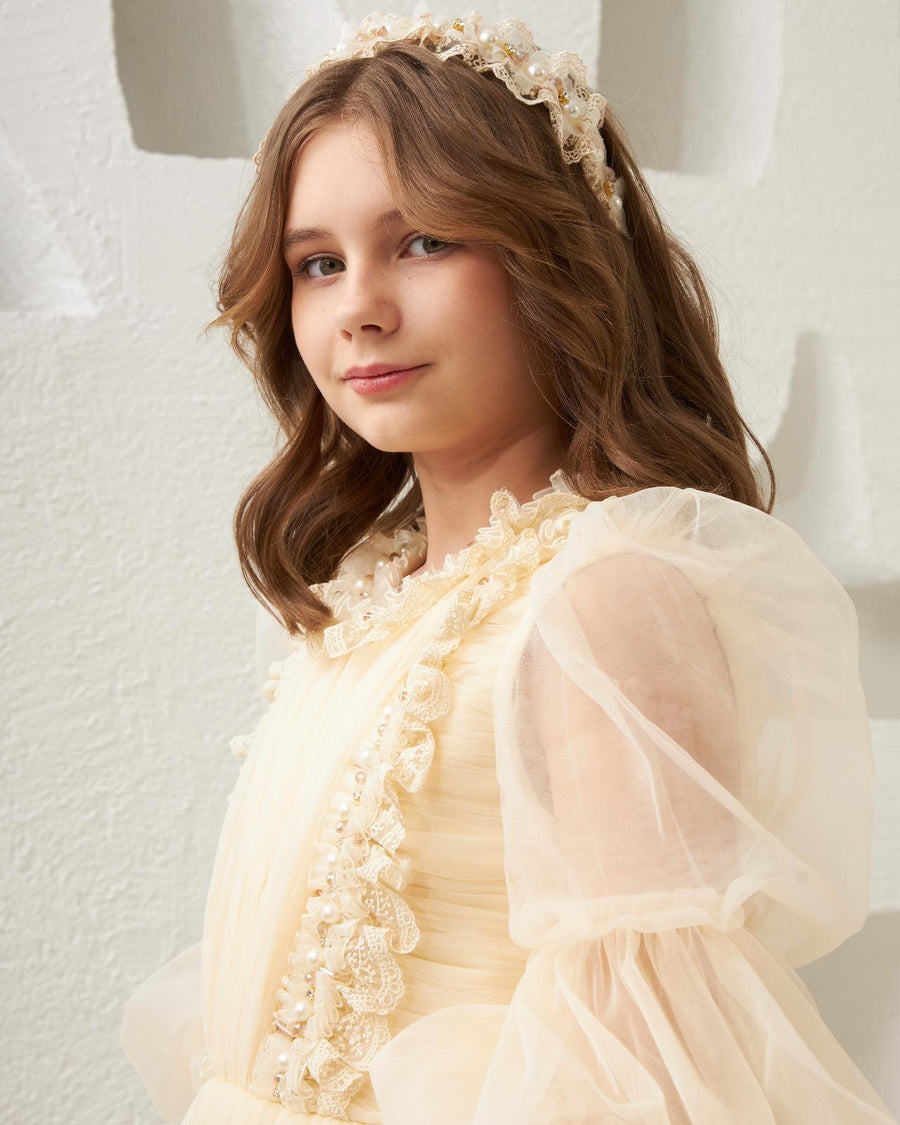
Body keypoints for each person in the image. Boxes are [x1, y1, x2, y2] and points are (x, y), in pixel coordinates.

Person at [120, 6, 899, 1123]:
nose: (359, 309)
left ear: (555, 257)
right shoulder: (359, 592)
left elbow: (647, 1062)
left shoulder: (605, 593)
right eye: (317, 264)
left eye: (424, 242)